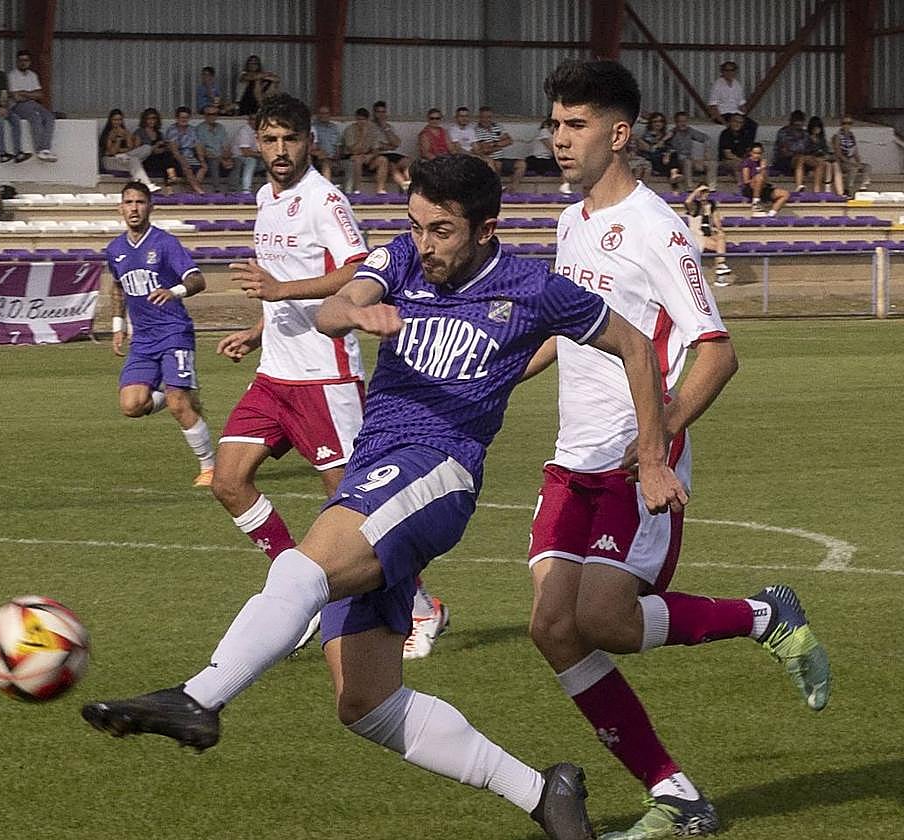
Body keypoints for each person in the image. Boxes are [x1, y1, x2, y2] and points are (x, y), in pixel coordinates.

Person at [82, 152, 693, 840]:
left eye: (440, 230)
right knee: (365, 702)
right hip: (380, 465)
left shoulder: (533, 288)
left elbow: (636, 346)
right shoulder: (402, 258)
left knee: (304, 565)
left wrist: (650, 453)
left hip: (440, 470)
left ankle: (198, 697)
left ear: (485, 228)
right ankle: (543, 794)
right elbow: (334, 309)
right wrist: (353, 315)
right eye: (415, 225)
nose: (423, 244)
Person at [532, 59, 832, 840]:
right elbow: (563, 329)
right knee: (550, 627)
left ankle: (762, 615)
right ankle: (676, 794)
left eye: (575, 125)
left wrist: (657, 445)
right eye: (555, 124)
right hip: (570, 460)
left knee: (602, 620)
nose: (558, 138)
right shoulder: (570, 223)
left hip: (635, 462)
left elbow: (716, 352)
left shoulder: (657, 228)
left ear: (618, 132)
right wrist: (483, 380)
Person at [210, 94, 447, 659]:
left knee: (357, 513)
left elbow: (356, 268)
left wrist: (278, 292)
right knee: (227, 481)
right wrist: (257, 327)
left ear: (308, 141)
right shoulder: (265, 199)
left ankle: (422, 605)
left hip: (326, 379)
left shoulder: (325, 200)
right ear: (257, 143)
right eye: (269, 140)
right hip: (275, 376)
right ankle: (299, 596)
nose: (280, 150)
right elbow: (279, 284)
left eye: (290, 139)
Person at [106, 181, 216, 488]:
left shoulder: (165, 243)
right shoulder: (115, 250)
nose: (134, 208)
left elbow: (197, 279)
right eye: (129, 202)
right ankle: (173, 393)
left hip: (173, 333)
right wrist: (118, 326)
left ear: (150, 207)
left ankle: (210, 468)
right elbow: (117, 287)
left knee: (180, 403)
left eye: (140, 202)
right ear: (120, 207)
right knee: (131, 406)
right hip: (142, 339)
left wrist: (174, 291)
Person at [7, 49, 58, 162]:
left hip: (33, 103)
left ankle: (46, 149)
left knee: (49, 117)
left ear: (29, 62)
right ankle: (40, 149)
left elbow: (40, 94)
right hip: (17, 105)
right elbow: (16, 97)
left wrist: (24, 93)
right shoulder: (12, 75)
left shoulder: (32, 75)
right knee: (35, 117)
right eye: (21, 60)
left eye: (26, 60)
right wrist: (31, 94)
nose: (23, 62)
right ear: (17, 61)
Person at [684, 184, 731, 285]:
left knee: (721, 237)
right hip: (697, 236)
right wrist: (697, 191)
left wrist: (719, 229)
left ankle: (721, 267)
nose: (704, 194)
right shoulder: (694, 206)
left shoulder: (711, 205)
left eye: (706, 192)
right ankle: (720, 273)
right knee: (718, 247)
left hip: (708, 235)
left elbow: (717, 223)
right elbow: (687, 202)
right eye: (702, 192)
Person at [100, 108, 157, 190]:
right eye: (115, 120)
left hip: (124, 158)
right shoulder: (108, 133)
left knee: (147, 148)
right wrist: (119, 138)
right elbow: (112, 152)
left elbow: (131, 148)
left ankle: (124, 156)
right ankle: (147, 184)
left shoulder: (125, 132)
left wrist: (126, 136)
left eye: (119, 120)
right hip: (110, 161)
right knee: (133, 160)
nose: (117, 122)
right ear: (110, 121)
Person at [473, 106, 526, 192]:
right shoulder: (475, 130)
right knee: (496, 164)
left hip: (501, 159)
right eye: (484, 117)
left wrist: (494, 144)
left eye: (489, 117)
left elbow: (509, 141)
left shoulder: (498, 127)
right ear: (480, 118)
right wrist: (500, 144)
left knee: (521, 164)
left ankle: (513, 189)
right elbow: (483, 150)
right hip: (487, 160)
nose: (486, 120)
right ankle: (497, 188)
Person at [706, 60, 757, 148]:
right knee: (738, 127)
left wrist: (744, 114)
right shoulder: (717, 85)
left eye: (732, 70)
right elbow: (713, 106)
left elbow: (742, 104)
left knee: (753, 125)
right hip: (723, 114)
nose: (730, 73)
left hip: (736, 113)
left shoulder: (737, 84)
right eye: (727, 70)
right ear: (722, 71)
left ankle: (747, 148)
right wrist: (724, 122)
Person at [773, 110, 823, 192]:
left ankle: (817, 190)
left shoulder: (805, 133)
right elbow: (786, 150)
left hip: (802, 158)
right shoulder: (783, 132)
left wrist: (815, 140)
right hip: (785, 160)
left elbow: (811, 149)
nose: (798, 126)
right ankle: (799, 186)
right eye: (796, 124)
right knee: (800, 158)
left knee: (819, 162)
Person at [340, 108, 386, 194]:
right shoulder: (349, 130)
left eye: (364, 119)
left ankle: (380, 190)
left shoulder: (373, 130)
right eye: (359, 119)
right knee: (357, 160)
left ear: (368, 120)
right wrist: (362, 136)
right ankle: (357, 190)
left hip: (367, 157)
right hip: (351, 157)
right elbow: (353, 150)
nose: (361, 122)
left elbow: (376, 149)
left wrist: (370, 156)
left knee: (383, 160)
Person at [163, 106, 208, 193]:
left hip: (191, 156)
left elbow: (197, 145)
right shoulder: (172, 130)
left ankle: (192, 192)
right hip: (176, 158)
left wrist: (202, 161)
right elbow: (174, 151)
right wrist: (183, 162)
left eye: (186, 117)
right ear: (177, 118)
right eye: (182, 117)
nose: (184, 119)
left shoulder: (192, 130)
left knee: (202, 168)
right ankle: (199, 191)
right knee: (187, 168)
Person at [133, 108, 180, 189]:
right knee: (166, 161)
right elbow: (137, 151)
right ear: (145, 120)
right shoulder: (140, 132)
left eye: (154, 118)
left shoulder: (159, 133)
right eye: (149, 118)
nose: (152, 121)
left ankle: (170, 180)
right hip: (146, 160)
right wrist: (154, 148)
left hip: (160, 158)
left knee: (168, 156)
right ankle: (171, 178)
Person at [371, 101, 412, 192]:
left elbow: (396, 143)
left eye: (383, 112)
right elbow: (374, 145)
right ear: (374, 113)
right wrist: (389, 146)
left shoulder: (389, 127)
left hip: (391, 154)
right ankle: (405, 187)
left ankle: (410, 183)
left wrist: (385, 127)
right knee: (391, 166)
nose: (381, 115)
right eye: (379, 112)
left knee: (407, 161)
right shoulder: (370, 127)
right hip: (378, 155)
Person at [635, 112, 683, 190]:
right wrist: (663, 140)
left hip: (666, 160)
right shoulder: (647, 135)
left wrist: (667, 154)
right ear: (651, 123)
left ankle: (674, 174)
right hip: (654, 159)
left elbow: (672, 147)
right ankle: (673, 176)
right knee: (658, 155)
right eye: (655, 121)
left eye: (661, 121)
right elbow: (651, 150)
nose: (658, 123)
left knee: (674, 154)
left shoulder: (666, 134)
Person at [196, 105, 238, 191]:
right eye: (209, 114)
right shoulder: (200, 129)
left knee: (238, 161)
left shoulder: (220, 127)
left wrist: (227, 158)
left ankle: (233, 189)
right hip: (209, 157)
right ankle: (217, 189)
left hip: (222, 156)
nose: (212, 116)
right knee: (214, 162)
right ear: (205, 115)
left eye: (214, 114)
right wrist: (221, 160)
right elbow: (203, 149)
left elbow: (226, 145)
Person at [740, 142, 790, 216]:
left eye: (759, 153)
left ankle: (771, 213)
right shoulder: (747, 163)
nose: (757, 155)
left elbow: (766, 179)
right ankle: (756, 203)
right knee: (759, 177)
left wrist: (763, 168)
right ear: (751, 153)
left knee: (785, 194)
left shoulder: (762, 162)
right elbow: (746, 181)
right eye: (755, 153)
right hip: (750, 189)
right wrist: (757, 178)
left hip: (763, 188)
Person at [668, 112, 712, 188]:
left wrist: (706, 151)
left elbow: (706, 138)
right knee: (688, 162)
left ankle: (710, 188)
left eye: (684, 121)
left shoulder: (690, 131)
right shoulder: (672, 133)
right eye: (680, 121)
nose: (683, 124)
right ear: (676, 122)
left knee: (709, 164)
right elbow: (669, 149)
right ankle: (689, 187)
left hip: (690, 158)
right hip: (676, 161)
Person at [831, 116, 870, 198]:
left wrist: (858, 162)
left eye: (849, 123)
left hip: (849, 160)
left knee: (866, 167)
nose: (847, 125)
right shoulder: (837, 136)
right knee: (853, 168)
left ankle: (863, 186)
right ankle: (847, 189)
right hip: (840, 162)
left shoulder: (852, 136)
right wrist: (850, 162)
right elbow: (838, 153)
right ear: (841, 125)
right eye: (844, 123)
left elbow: (855, 151)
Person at [309, 105, 344, 183]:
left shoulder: (334, 128)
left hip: (334, 158)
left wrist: (337, 158)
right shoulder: (313, 127)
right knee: (326, 163)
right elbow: (313, 146)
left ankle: (352, 192)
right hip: (319, 158)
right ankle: (327, 188)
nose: (323, 115)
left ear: (329, 115)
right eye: (321, 113)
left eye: (326, 113)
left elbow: (338, 145)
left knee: (349, 164)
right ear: (317, 114)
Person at [805, 115, 839, 193]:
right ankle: (823, 189)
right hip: (812, 163)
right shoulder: (806, 138)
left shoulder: (821, 139)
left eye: (818, 127)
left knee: (833, 164)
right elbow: (806, 152)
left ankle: (830, 188)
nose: (817, 129)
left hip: (822, 160)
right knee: (826, 164)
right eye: (815, 127)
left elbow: (826, 150)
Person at [233, 113, 266, 193]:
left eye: (257, 120)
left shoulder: (261, 130)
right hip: (238, 157)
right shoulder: (244, 130)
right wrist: (263, 155)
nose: (255, 121)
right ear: (249, 121)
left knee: (271, 162)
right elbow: (245, 152)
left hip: (256, 156)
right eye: (252, 119)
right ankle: (246, 190)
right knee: (251, 161)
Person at [715, 112, 749, 185]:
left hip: (741, 159)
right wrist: (742, 161)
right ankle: (742, 185)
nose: (737, 124)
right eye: (735, 121)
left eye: (740, 122)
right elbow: (728, 155)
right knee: (737, 164)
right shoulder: (725, 134)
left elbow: (747, 150)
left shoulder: (744, 134)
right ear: (730, 122)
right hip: (726, 161)